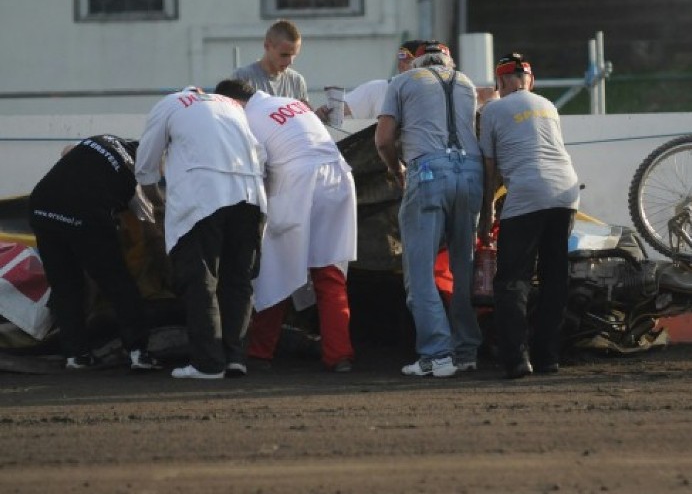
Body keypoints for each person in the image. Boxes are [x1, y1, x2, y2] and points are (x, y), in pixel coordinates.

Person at [214, 79, 357, 373]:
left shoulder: (246, 118)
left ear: (232, 102)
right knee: (329, 271)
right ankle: (339, 354)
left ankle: (259, 352)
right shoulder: (285, 103)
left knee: (274, 270)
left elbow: (256, 167)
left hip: (297, 181)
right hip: (338, 177)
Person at [135, 87, 267, 379]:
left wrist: (157, 202)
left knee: (200, 279)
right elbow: (261, 152)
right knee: (238, 280)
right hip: (250, 195)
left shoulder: (169, 104)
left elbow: (145, 162)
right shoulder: (232, 106)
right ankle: (235, 358)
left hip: (202, 195)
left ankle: (208, 363)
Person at [375, 40, 483, 377]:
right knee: (462, 268)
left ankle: (437, 355)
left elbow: (383, 139)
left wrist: (396, 170)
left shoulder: (403, 81)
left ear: (417, 61)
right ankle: (466, 352)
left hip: (427, 171)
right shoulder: (465, 82)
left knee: (420, 272)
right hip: (471, 173)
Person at [477, 53, 581, 379]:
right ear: (530, 80)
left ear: (501, 83)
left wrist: (485, 217)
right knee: (554, 278)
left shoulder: (492, 109)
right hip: (566, 191)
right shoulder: (548, 105)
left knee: (512, 280)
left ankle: (517, 360)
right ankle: (548, 357)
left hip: (526, 193)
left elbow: (489, 170)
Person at [28, 135, 161, 371]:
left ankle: (76, 356)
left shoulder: (102, 139)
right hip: (84, 215)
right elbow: (151, 230)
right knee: (118, 284)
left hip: (41, 207)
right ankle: (139, 353)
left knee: (65, 285)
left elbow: (67, 151)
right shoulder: (134, 176)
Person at [232, 19, 309, 103]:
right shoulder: (243, 78)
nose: (290, 61)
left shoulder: (297, 82)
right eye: (284, 55)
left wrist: (318, 115)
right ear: (267, 46)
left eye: (294, 55)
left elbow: (304, 115)